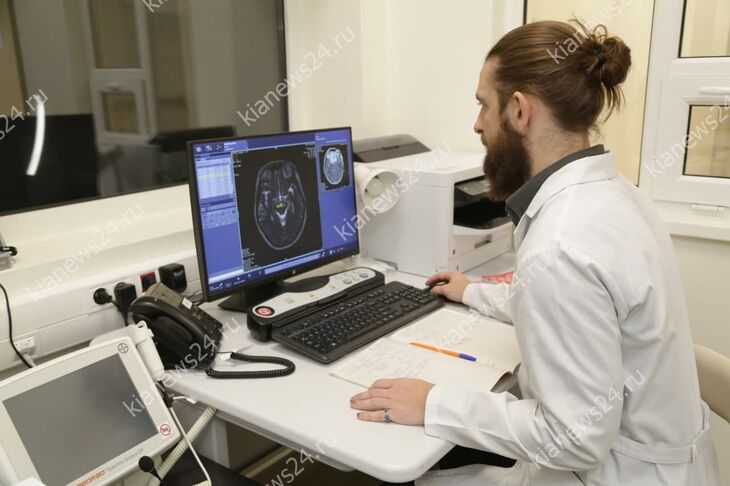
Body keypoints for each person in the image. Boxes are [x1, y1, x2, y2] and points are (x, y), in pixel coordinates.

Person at [350, 19, 720, 485]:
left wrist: (433, 402)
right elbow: (587, 310)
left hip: (613, 473)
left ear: (520, 110)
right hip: (659, 459)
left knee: (415, 476)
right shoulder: (617, 194)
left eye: (484, 105)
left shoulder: (562, 242)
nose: (478, 124)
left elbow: (574, 438)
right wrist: (472, 293)